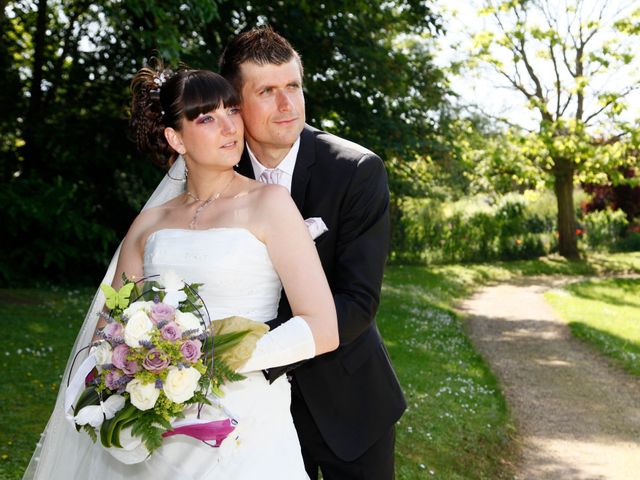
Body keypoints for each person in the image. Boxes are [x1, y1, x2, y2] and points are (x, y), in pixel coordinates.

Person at [23, 62, 338, 479]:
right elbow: (107, 331)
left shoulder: (271, 204)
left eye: (232, 111)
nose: (229, 128)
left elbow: (322, 327)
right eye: (207, 118)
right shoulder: (150, 225)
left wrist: (210, 357)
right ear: (176, 137)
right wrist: (127, 377)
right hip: (159, 423)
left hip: (247, 424)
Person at [219, 27, 407, 480]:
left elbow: (358, 301)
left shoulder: (356, 172)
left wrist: (250, 352)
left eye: (293, 87)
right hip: (253, 414)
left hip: (350, 405)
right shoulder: (218, 173)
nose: (287, 105)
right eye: (267, 91)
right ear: (236, 103)